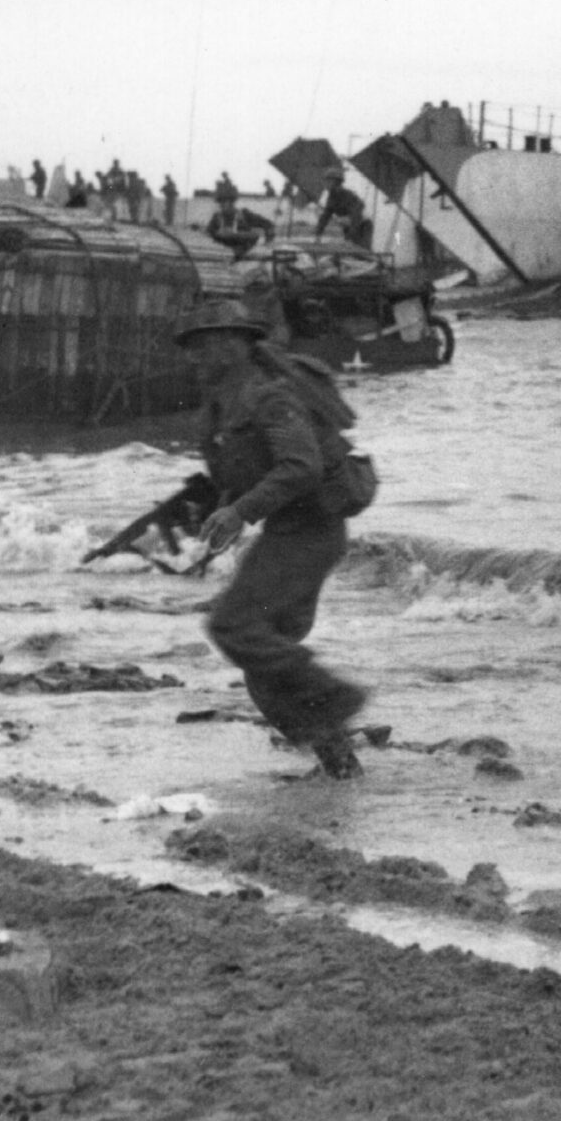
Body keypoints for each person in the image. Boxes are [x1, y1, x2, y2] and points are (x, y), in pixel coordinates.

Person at [176, 297, 373, 780]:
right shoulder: (223, 406)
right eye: (191, 347)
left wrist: (239, 512)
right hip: (287, 532)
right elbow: (244, 470)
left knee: (232, 627)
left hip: (312, 533)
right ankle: (340, 768)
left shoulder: (270, 397)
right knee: (263, 663)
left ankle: (337, 696)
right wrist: (213, 506)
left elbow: (301, 467)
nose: (193, 357)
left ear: (234, 346)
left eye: (203, 346)